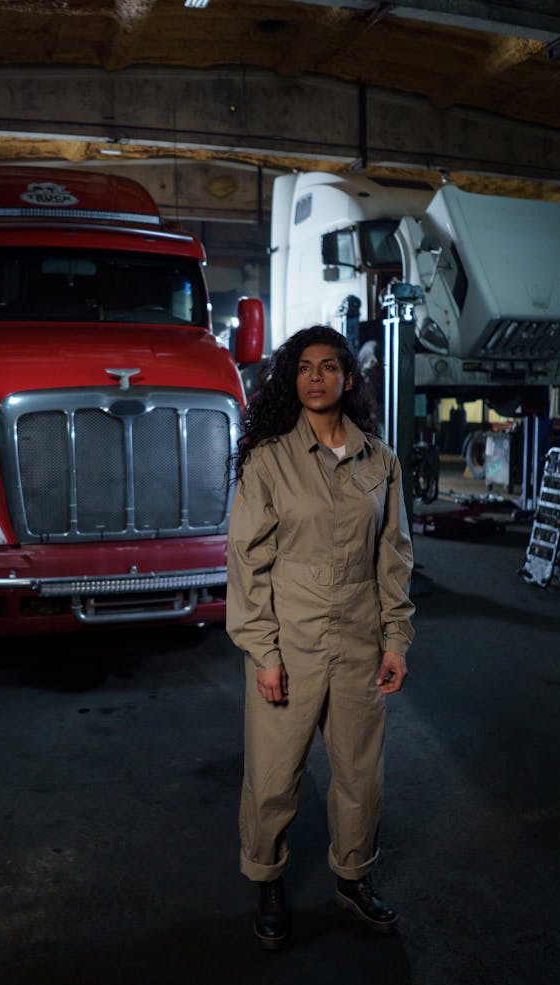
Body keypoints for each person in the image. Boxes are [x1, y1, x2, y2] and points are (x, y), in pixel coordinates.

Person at [226, 325, 415, 950]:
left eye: (328, 366)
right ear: (292, 378)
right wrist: (265, 652)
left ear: (349, 379)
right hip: (293, 642)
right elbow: (247, 563)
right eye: (304, 367)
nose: (315, 377)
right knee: (275, 773)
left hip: (361, 640)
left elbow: (393, 557)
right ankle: (268, 882)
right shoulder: (270, 460)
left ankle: (354, 878)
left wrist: (396, 639)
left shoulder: (378, 460)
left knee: (361, 773)